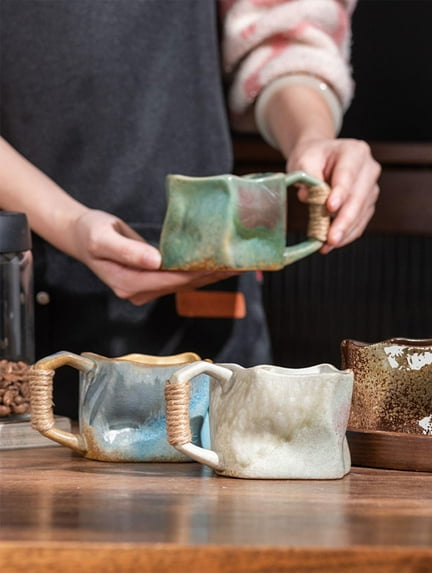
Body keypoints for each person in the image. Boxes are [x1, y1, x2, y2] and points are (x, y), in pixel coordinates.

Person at [0, 0, 381, 418]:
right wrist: (65, 222)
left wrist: (311, 137)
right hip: (13, 299)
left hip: (198, 307)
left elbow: (282, 31)